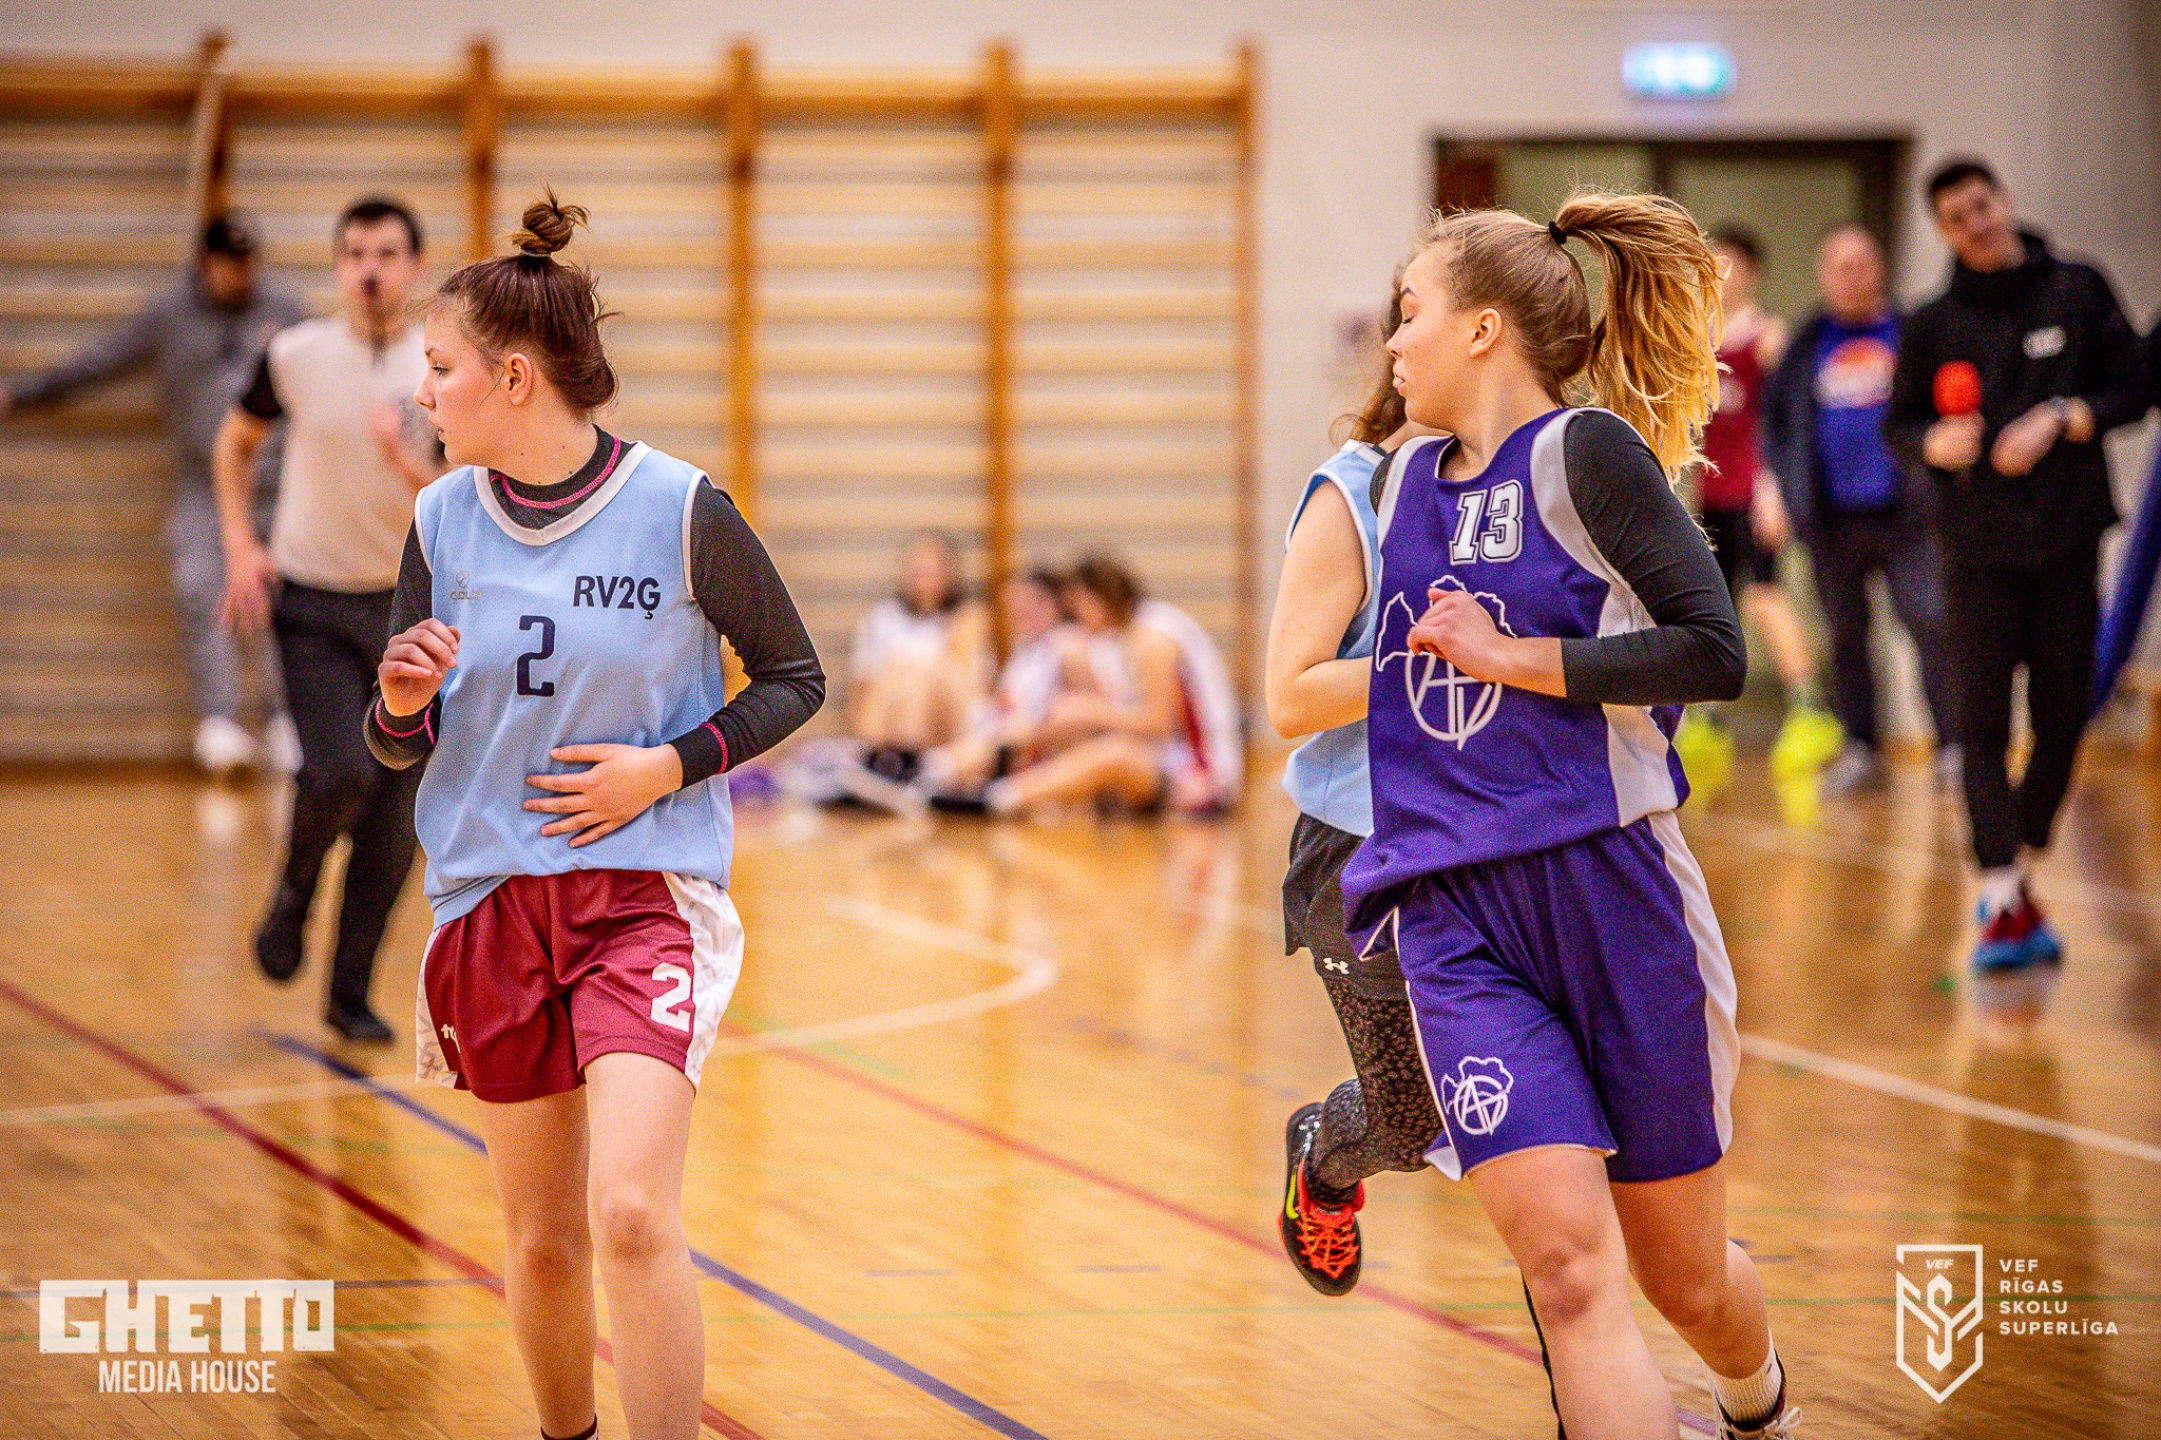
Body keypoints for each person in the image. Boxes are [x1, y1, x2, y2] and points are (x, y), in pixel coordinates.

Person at [366, 195, 823, 1440]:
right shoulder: (440, 518)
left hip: (642, 898)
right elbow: (398, 739)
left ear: (514, 378)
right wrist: (399, 704)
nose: (424, 394)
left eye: (441, 369)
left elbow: (795, 677)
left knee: (629, 1212)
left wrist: (666, 768)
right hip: (490, 902)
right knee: (542, 1240)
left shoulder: (679, 507)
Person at [1340, 195, 1797, 1440]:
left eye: (1412, 309)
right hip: (1455, 917)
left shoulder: (1584, 456)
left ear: (1482, 329)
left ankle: (1758, 1408)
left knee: (1683, 1282)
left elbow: (1713, 651)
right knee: (1568, 1275)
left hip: (1612, 891)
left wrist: (1515, 658)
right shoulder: (1395, 482)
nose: (1393, 337)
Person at [1885, 158, 2150, 977]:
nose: (1975, 224)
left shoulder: (2075, 288)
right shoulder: (1932, 322)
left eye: (1980, 205)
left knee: (2065, 713)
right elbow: (1899, 424)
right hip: (1975, 551)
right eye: (1955, 218)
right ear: (1942, 232)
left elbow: (2134, 390)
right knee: (1982, 724)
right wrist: (1933, 442)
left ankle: (2019, 854)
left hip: (2067, 540)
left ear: (2001, 200)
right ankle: (2000, 890)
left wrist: (2064, 416)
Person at [212, 195, 440, 1041]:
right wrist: (240, 544)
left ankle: (349, 996)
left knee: (394, 822)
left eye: (386, 253)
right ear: (340, 266)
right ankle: (294, 887)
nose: (370, 268)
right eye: (355, 253)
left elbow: (466, 492)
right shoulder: (295, 354)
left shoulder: (441, 365)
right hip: (309, 598)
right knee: (341, 772)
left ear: (414, 266)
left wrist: (403, 460)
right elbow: (234, 443)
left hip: (409, 609)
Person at [0, 213, 307, 772]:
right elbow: (100, 361)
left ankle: (285, 718)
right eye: (229, 264)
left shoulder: (285, 311)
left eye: (247, 264)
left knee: (285, 599)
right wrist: (22, 393)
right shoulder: (169, 315)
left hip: (276, 485)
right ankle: (220, 722)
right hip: (202, 482)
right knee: (199, 587)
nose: (240, 275)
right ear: (205, 263)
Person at [1763, 224, 1961, 797]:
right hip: (1830, 520)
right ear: (1823, 275)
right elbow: (1776, 425)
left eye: (1861, 264)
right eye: (1839, 266)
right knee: (1846, 636)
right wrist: (1775, 487)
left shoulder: (1914, 335)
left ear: (1881, 269)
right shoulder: (1804, 345)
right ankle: (1861, 748)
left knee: (1930, 626)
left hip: (1910, 517)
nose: (1851, 276)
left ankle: (1953, 746)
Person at [1692, 227, 1836, 783]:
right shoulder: (1701, 341)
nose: (1719, 278)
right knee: (1712, 604)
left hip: (1755, 493)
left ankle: (1810, 709)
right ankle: (1705, 718)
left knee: (1765, 596)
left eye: (1728, 266)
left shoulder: (1770, 337)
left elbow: (1787, 423)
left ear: (1751, 271)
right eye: (1711, 267)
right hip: (1713, 493)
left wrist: (1775, 489)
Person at [984, 555, 1241, 817]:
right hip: (1168, 761)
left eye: (1077, 607)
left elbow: (1159, 725)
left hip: (1201, 776)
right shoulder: (1124, 638)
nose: (1075, 618)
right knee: (1064, 724)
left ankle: (1001, 798)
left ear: (1097, 599)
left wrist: (1091, 710)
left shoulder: (1154, 639)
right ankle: (995, 780)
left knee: (1114, 753)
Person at [916, 566, 1074, 803]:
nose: (1019, 612)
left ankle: (924, 775)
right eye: (1016, 606)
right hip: (1002, 737)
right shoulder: (1025, 652)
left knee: (991, 741)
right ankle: (924, 770)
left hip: (1031, 745)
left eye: (1028, 604)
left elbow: (1072, 715)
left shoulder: (1066, 647)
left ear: (1052, 604)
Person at [845, 530, 991, 781]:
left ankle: (907, 762)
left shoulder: (967, 618)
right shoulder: (882, 618)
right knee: (899, 671)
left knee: (920, 670)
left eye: (932, 572)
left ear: (949, 574)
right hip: (890, 718)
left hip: (950, 716)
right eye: (918, 572)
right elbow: (862, 688)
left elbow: (974, 688)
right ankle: (893, 759)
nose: (924, 581)